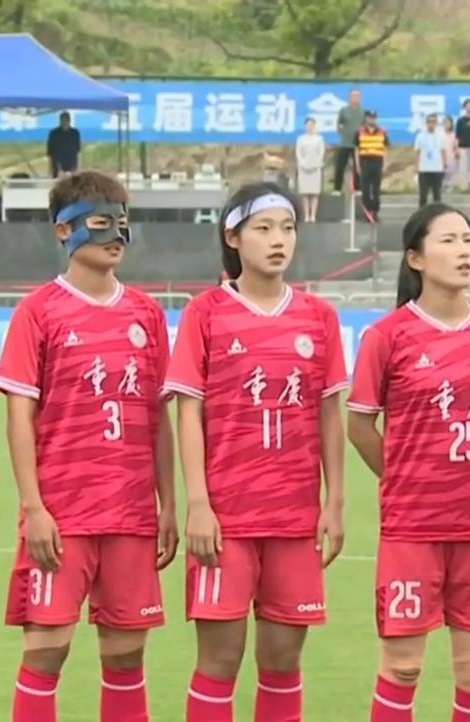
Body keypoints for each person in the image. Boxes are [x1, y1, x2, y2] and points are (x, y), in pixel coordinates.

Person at [0, 171, 175, 722]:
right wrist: (34, 508)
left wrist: (169, 504)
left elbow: (158, 418)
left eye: (122, 221)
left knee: (126, 659)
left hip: (132, 516)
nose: (116, 234)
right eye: (100, 222)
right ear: (64, 230)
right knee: (45, 652)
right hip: (62, 517)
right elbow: (19, 417)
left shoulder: (147, 314)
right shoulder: (38, 312)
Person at [165, 183, 347, 722]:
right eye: (263, 229)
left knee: (284, 660)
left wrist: (335, 502)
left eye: (287, 228)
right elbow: (189, 412)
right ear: (233, 237)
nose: (278, 240)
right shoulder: (205, 313)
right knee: (219, 661)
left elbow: (329, 414)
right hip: (226, 521)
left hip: (295, 519)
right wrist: (198, 503)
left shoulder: (318, 317)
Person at [348, 202, 470, 722]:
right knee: (402, 667)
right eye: (448, 240)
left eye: (467, 240)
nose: (463, 250)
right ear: (416, 259)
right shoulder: (387, 336)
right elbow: (359, 426)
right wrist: (405, 478)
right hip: (412, 527)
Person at [357, 111, 390, 222]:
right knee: (365, 189)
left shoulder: (382, 132)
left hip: (377, 162)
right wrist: (357, 165)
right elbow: (356, 149)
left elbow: (385, 148)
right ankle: (368, 211)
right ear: (366, 118)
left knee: (376, 189)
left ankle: (375, 212)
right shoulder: (360, 131)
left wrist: (385, 163)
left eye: (374, 118)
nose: (372, 120)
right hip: (365, 162)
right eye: (370, 118)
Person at [333, 89, 364, 193]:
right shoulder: (344, 110)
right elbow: (339, 125)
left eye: (357, 96)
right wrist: (342, 132)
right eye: (353, 96)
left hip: (358, 144)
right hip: (345, 142)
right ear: (349, 98)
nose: (355, 98)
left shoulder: (362, 112)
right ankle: (337, 188)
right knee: (340, 166)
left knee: (358, 166)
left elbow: (365, 127)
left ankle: (358, 188)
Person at [295, 117, 325, 222]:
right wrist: (302, 163)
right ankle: (306, 215)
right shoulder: (300, 139)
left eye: (311, 125)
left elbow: (321, 153)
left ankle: (313, 215)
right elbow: (298, 152)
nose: (310, 127)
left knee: (314, 193)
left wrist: (316, 163)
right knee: (305, 193)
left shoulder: (319, 139)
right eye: (308, 125)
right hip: (303, 167)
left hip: (315, 167)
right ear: (305, 126)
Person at [414, 113, 446, 207]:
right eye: (429, 122)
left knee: (437, 195)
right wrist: (416, 166)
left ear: (436, 123)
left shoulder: (441, 136)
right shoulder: (420, 136)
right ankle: (422, 214)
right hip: (424, 169)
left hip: (437, 169)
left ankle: (438, 214)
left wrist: (444, 165)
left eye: (433, 121)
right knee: (423, 195)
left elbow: (443, 151)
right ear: (426, 123)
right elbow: (417, 152)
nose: (431, 124)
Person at [46, 111, 81, 178]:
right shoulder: (53, 134)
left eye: (66, 120)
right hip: (57, 169)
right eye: (63, 120)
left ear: (69, 121)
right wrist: (50, 169)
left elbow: (78, 151)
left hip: (72, 168)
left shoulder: (75, 133)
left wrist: (78, 168)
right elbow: (50, 153)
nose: (65, 122)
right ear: (60, 121)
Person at [442, 116, 459, 190]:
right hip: (442, 157)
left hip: (451, 157)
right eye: (445, 123)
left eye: (448, 123)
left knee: (450, 174)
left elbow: (456, 146)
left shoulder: (454, 134)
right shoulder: (440, 134)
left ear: (451, 124)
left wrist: (457, 153)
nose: (447, 124)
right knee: (442, 175)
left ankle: (449, 188)